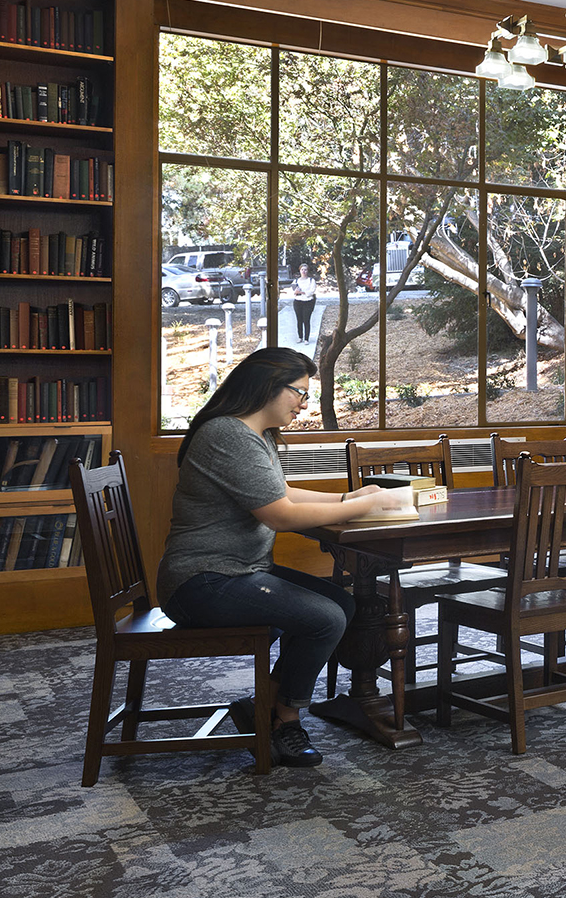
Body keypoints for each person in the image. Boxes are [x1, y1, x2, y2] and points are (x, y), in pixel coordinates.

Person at [156, 347, 412, 768]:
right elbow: (280, 515)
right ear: (266, 387)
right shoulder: (227, 435)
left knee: (344, 604)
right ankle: (284, 718)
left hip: (240, 571)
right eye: (299, 392)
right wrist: (364, 506)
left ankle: (263, 704)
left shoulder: (254, 435)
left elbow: (284, 494)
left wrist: (351, 496)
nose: (303, 403)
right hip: (201, 581)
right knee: (325, 618)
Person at [290, 263, 318, 344]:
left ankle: (306, 338)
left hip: (308, 302)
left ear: (307, 271)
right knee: (299, 320)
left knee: (306, 320)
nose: (304, 271)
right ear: (300, 270)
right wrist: (298, 292)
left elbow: (311, 291)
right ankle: (300, 337)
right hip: (298, 302)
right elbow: (294, 291)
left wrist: (301, 292)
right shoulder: (296, 281)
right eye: (302, 269)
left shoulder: (311, 281)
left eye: (305, 269)